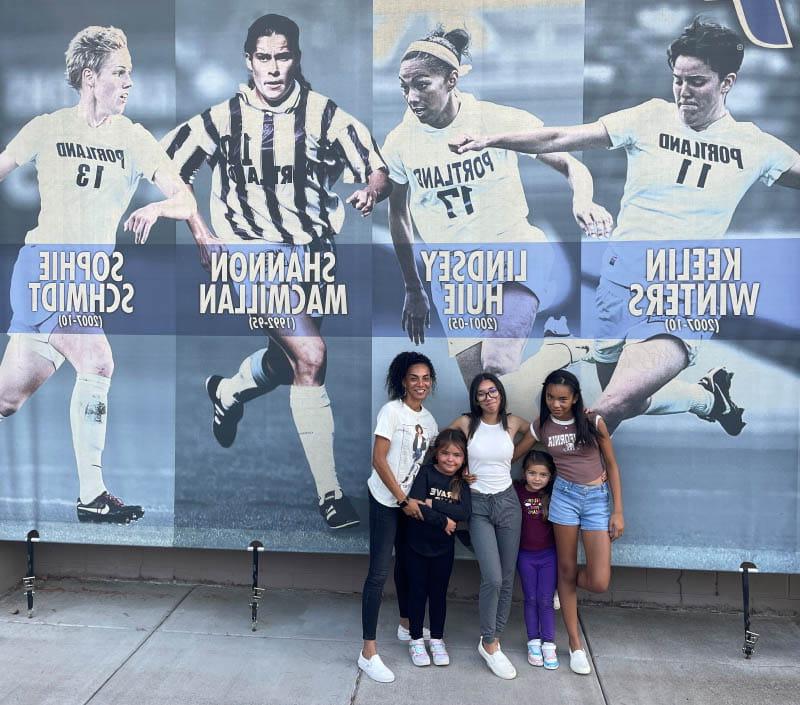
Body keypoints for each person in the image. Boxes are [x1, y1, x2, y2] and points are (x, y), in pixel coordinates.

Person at [451, 18, 800, 436]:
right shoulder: (649, 117)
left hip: (682, 286)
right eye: (678, 80)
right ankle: (708, 398)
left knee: (608, 409)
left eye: (697, 82)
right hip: (619, 282)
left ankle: (528, 483)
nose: (684, 92)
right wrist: (493, 140)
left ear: (727, 82)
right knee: (629, 399)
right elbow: (560, 136)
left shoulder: (755, 144)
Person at [163, 14, 391, 529]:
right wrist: (201, 229)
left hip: (313, 255)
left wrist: (370, 190)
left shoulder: (324, 115)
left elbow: (374, 166)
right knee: (311, 354)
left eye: (282, 56)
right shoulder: (221, 119)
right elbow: (168, 168)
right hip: (249, 255)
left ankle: (227, 392)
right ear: (248, 61)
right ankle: (332, 496)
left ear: (296, 59)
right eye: (263, 57)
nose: (272, 67)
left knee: (289, 362)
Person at [0, 25, 196, 523]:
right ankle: (92, 495)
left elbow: (184, 196)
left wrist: (160, 210)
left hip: (84, 279)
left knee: (7, 399)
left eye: (131, 72)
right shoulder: (48, 126)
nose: (129, 82)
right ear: (90, 77)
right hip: (44, 269)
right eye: (119, 72)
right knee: (98, 360)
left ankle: (91, 493)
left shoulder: (134, 138)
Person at [382, 26, 611, 403]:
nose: (412, 97)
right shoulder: (400, 142)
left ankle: (561, 351)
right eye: (404, 87)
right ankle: (520, 452)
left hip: (514, 252)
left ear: (451, 79)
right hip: (454, 272)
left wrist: (583, 201)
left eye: (422, 85)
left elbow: (573, 166)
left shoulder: (494, 119)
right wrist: (413, 286)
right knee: (486, 398)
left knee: (498, 367)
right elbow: (399, 216)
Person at [515, 369, 623, 675]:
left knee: (599, 581)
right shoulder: (542, 426)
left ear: (575, 397)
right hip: (563, 498)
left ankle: (559, 588)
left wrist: (618, 512)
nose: (556, 404)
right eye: (550, 397)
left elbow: (612, 467)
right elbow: (512, 455)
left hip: (596, 500)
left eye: (562, 398)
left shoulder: (593, 421)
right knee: (565, 568)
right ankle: (575, 645)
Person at [359, 351, 438, 683]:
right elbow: (379, 459)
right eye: (413, 378)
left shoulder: (430, 422)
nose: (420, 384)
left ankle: (407, 625)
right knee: (378, 573)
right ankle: (368, 653)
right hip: (385, 500)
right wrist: (403, 499)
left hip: (409, 503)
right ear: (402, 381)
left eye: (425, 378)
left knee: (408, 565)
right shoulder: (391, 412)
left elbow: (425, 468)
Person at [448, 373, 529, 679]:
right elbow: (440, 447)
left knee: (507, 578)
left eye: (492, 391)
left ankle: (493, 641)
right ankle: (489, 640)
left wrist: (512, 458)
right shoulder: (467, 424)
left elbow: (536, 432)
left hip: (508, 503)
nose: (488, 397)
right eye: (481, 394)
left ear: (500, 392)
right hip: (479, 505)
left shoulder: (513, 423)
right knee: (492, 578)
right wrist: (459, 469)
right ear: (475, 399)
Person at [404, 427, 471, 667]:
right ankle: (415, 640)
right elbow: (414, 506)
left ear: (463, 458)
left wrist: (433, 503)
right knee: (418, 593)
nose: (450, 459)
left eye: (456, 455)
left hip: (443, 549)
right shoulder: (425, 473)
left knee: (439, 595)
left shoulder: (460, 482)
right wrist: (442, 520)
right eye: (445, 454)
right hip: (417, 545)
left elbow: (464, 512)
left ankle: (437, 639)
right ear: (436, 453)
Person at [515, 449, 559, 670]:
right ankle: (533, 640)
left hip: (549, 556)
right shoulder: (516, 490)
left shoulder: (553, 494)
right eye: (532, 473)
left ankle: (548, 643)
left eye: (543, 474)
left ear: (550, 476)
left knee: (545, 600)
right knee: (530, 598)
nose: (537, 478)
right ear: (524, 473)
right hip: (525, 555)